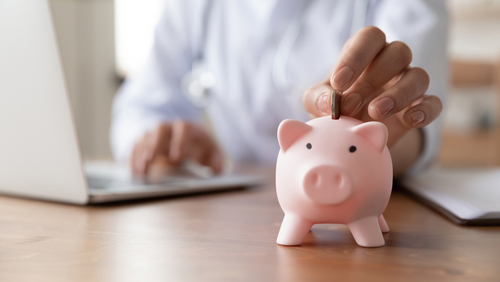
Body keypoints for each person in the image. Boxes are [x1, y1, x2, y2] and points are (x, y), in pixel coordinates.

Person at [111, 0, 447, 178]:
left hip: (365, 203)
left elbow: (409, 124)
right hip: (234, 220)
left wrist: (373, 135)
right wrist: (166, 143)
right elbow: (141, 109)